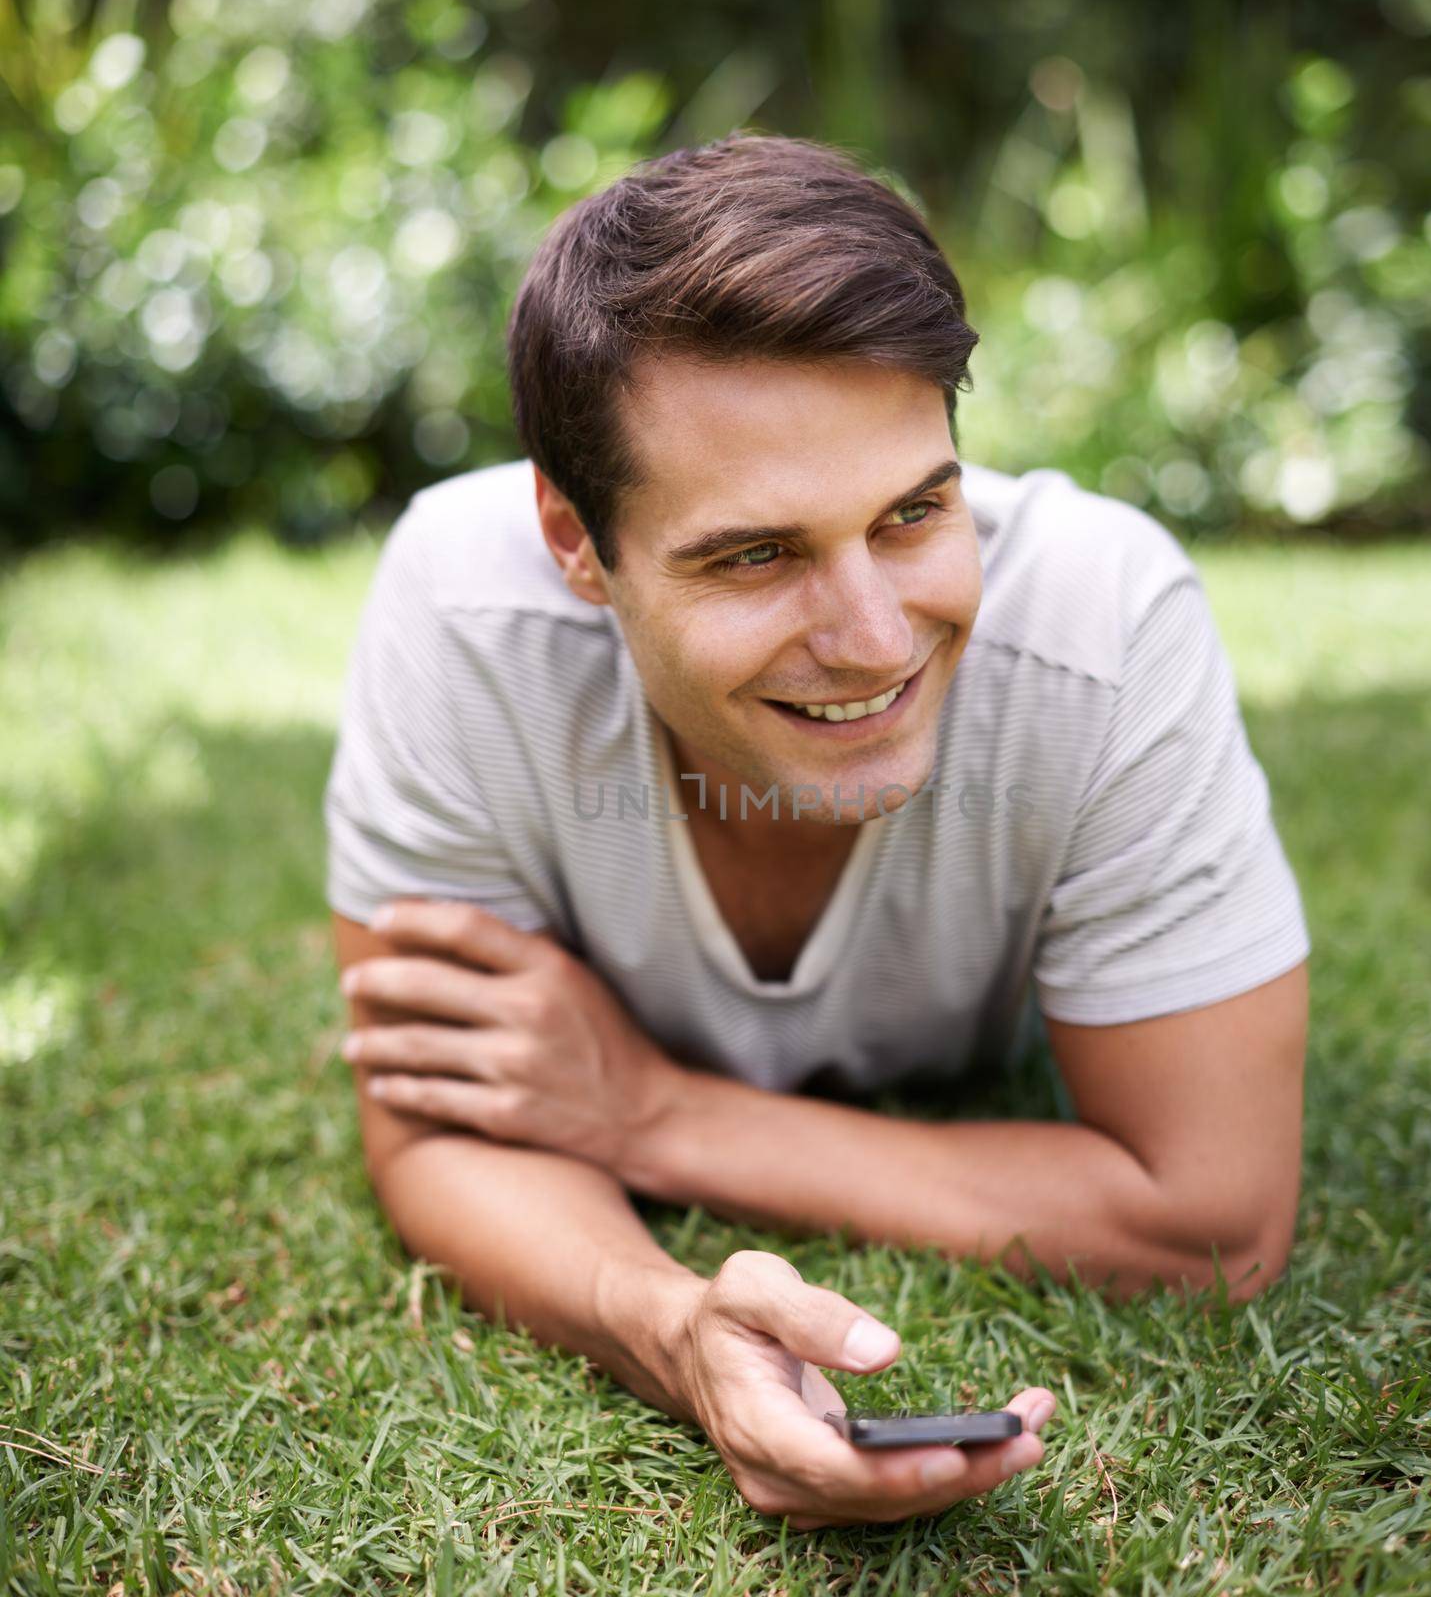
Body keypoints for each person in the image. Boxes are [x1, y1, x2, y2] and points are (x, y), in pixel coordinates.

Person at [323, 131, 1310, 1530]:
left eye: (914, 512)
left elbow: (1212, 1223)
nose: (871, 639)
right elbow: (437, 1121)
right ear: (577, 541)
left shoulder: (1106, 630)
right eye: (755, 554)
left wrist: (652, 1114)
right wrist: (667, 1326)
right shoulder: (463, 615)